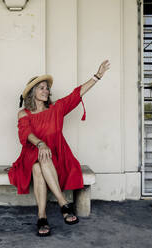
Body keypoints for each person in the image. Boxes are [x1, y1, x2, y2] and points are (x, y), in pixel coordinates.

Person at [8, 60, 110, 237]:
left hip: (57, 155)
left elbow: (76, 94)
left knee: (39, 166)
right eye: (41, 88)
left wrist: (97, 76)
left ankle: (42, 217)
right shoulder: (24, 113)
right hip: (32, 152)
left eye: (47, 88)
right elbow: (25, 134)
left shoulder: (57, 108)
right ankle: (64, 204)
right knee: (38, 161)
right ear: (33, 93)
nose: (46, 90)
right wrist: (40, 143)